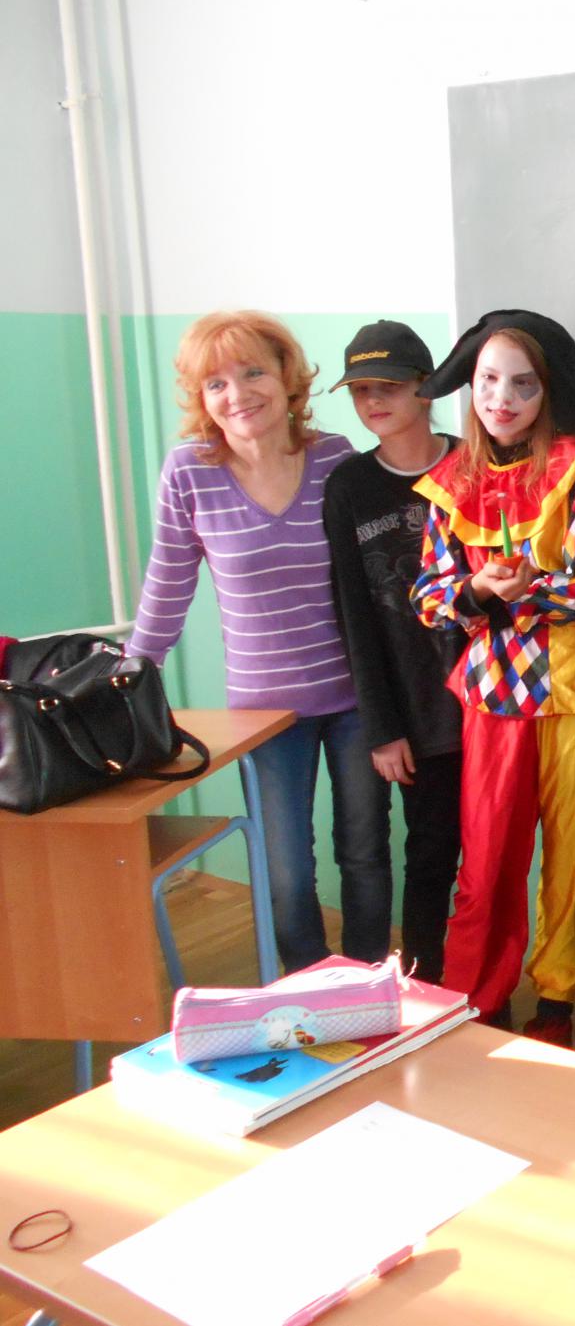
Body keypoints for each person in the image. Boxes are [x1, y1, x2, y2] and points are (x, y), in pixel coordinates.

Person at [127, 310, 383, 973]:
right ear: (201, 397)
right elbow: (167, 585)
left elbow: (374, 582)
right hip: (263, 714)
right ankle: (307, 990)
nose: (236, 394)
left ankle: (367, 985)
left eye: (252, 373)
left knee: (364, 851)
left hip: (355, 700)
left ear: (286, 377)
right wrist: (128, 682)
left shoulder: (334, 458)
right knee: (287, 869)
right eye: (216, 383)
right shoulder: (189, 472)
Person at [410, 310, 575, 1044]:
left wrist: (514, 594)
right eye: (489, 380)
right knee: (488, 853)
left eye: (523, 384)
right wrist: (476, 592)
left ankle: (557, 1004)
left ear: (547, 391)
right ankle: (478, 997)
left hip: (573, 686)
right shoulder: (449, 482)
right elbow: (429, 595)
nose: (502, 398)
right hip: (492, 693)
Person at [320, 320, 465, 985]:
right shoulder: (349, 485)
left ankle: (484, 993)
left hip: (487, 704)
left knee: (492, 858)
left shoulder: (475, 463)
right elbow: (353, 614)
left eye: (390, 386)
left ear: (426, 387)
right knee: (429, 856)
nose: (374, 400)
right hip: (412, 715)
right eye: (360, 390)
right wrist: (382, 728)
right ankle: (425, 987)